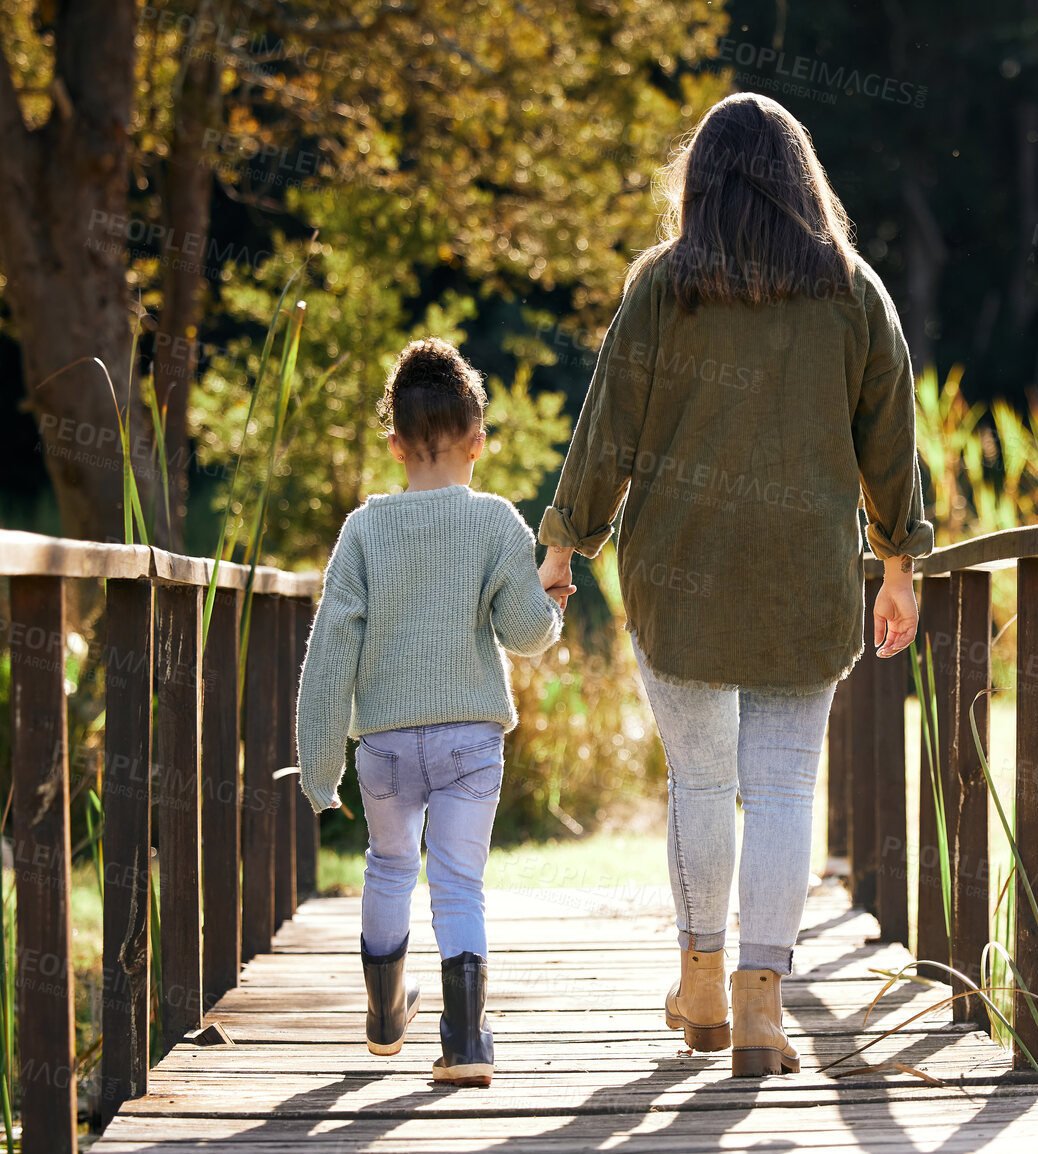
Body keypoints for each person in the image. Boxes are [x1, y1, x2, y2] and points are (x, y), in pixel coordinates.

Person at [536, 93, 933, 1077]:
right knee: (787, 784)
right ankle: (764, 1000)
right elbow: (892, 441)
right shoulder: (854, 291)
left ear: (699, 183)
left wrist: (565, 541)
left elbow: (608, 426)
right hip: (806, 577)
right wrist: (897, 562)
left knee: (704, 780)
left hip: (681, 576)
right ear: (805, 179)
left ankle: (703, 979)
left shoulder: (664, 288)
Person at [296, 337, 570, 1088]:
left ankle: (386, 1018)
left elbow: (328, 657)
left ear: (394, 445)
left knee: (388, 865)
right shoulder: (495, 522)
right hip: (469, 741)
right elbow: (524, 636)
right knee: (457, 881)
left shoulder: (363, 529)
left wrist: (320, 769)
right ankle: (465, 1041)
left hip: (382, 746)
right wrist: (550, 605)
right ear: (477, 441)